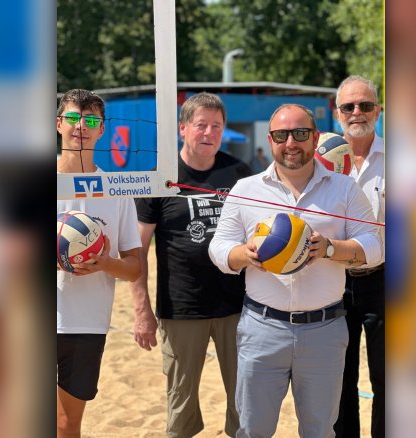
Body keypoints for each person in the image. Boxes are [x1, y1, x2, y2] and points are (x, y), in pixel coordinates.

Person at [208, 103, 382, 437]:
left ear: (315, 138)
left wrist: (329, 248)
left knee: (319, 430)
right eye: (281, 135)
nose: (291, 143)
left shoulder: (344, 188)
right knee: (254, 430)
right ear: (270, 140)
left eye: (300, 134)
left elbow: (374, 247)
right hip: (262, 328)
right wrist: (244, 254)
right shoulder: (246, 188)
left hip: (324, 330)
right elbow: (218, 248)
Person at [132, 92, 253, 438]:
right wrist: (142, 311)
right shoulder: (160, 177)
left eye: (217, 126)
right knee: (181, 408)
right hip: (182, 308)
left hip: (237, 307)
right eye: (201, 125)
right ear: (183, 128)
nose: (209, 133)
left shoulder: (239, 173)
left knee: (245, 405)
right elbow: (138, 251)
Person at [55, 89, 142, 438]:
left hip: (86, 323)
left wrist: (104, 262)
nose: (81, 126)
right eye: (73, 118)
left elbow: (134, 267)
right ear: (59, 124)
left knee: (67, 424)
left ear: (102, 129)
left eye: (91, 120)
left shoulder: (116, 188)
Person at [332, 75, 386, 438]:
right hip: (332, 282)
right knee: (339, 380)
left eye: (365, 105)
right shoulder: (319, 161)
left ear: (378, 111)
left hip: (385, 279)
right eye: (349, 106)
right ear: (337, 113)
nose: (357, 112)